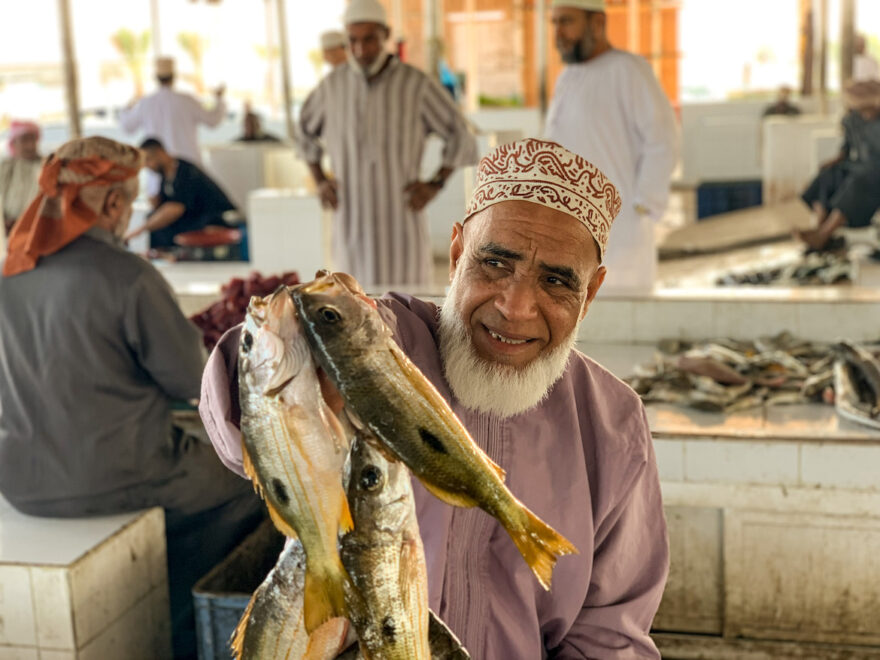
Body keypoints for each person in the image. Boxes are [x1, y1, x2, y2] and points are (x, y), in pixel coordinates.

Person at [201, 138, 669, 658]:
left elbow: (610, 634)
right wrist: (308, 347)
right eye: (494, 263)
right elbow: (240, 401)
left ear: (591, 294)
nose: (515, 308)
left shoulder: (611, 423)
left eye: (557, 281)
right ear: (456, 255)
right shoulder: (382, 346)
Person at [0, 136, 263, 659]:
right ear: (116, 205)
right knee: (252, 484)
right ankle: (180, 621)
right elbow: (193, 383)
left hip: (21, 483)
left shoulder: (11, 274)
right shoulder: (129, 278)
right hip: (121, 475)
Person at [298, 0, 478, 287]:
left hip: (401, 223)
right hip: (350, 221)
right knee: (352, 305)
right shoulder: (333, 87)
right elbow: (304, 131)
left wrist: (435, 184)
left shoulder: (415, 85)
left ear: (385, 34)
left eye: (369, 39)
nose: (360, 50)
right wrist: (320, 179)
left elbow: (460, 135)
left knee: (404, 308)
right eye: (353, 41)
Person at [545, 0, 678, 294]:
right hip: (568, 227)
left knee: (621, 319)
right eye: (554, 23)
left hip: (620, 231)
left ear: (597, 24)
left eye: (566, 21)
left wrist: (644, 204)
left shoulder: (629, 69)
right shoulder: (566, 78)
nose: (558, 33)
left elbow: (663, 138)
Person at [119, 56, 226, 199]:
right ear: (174, 76)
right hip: (188, 168)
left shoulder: (146, 103)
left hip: (161, 171)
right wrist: (219, 100)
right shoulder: (187, 100)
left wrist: (127, 107)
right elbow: (213, 120)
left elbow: (127, 126)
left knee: (166, 211)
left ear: (156, 77)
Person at [797, 80, 880, 251]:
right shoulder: (851, 119)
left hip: (874, 172)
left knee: (857, 182)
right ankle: (820, 225)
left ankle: (825, 233)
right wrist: (834, 161)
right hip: (859, 166)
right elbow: (847, 147)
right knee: (827, 176)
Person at [126, 137, 238, 249]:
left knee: (160, 225)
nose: (147, 166)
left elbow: (175, 209)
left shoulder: (186, 172)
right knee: (153, 219)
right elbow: (164, 205)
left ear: (159, 153)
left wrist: (139, 230)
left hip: (216, 219)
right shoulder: (166, 177)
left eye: (148, 160)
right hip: (196, 218)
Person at [0, 120, 42, 233]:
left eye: (32, 139)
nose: (29, 146)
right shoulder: (5, 167)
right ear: (13, 143)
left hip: (38, 229)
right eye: (24, 140)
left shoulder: (46, 165)